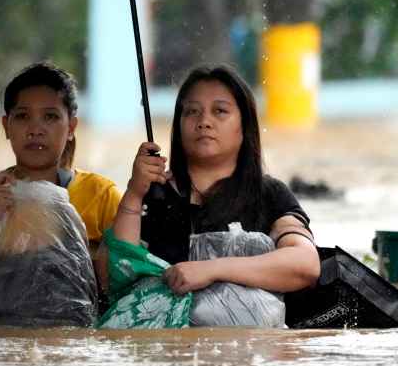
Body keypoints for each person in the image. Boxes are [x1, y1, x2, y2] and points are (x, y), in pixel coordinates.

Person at [112, 64, 320, 297]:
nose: (204, 121)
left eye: (220, 111)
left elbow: (306, 264)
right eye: (192, 111)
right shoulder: (152, 194)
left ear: (245, 125)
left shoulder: (267, 194)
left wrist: (212, 270)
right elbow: (114, 277)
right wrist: (133, 193)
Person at [0, 61, 123, 307]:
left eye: (50, 117)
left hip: (69, 340)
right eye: (22, 116)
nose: (35, 129)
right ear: (6, 126)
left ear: (71, 127)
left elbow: (128, 288)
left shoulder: (101, 195)